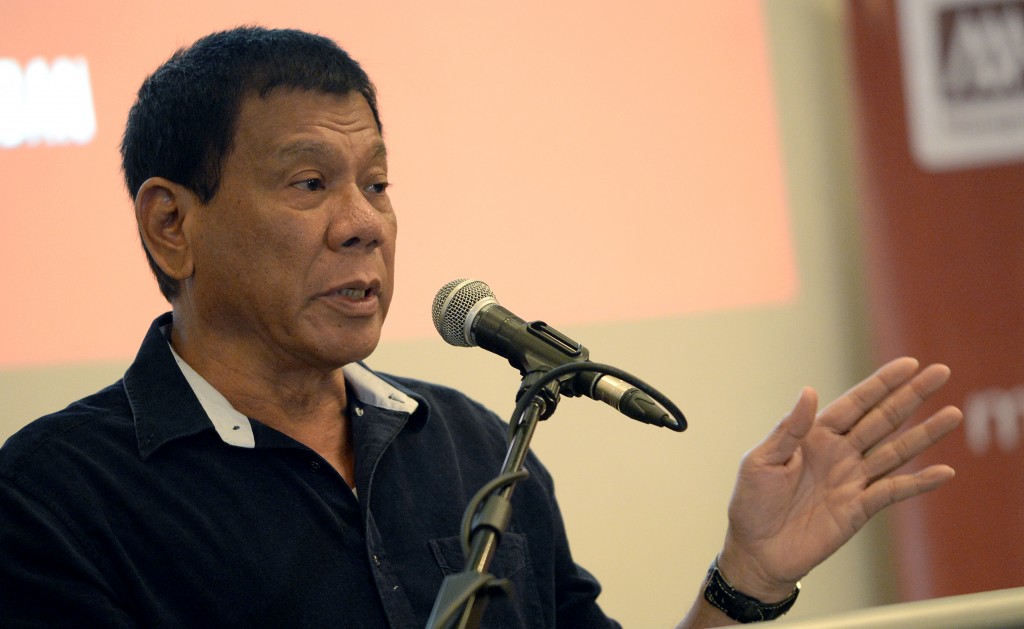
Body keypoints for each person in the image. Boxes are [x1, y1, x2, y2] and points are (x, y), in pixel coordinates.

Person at [0, 27, 962, 628]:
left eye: (377, 181)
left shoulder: (472, 446)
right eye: (309, 183)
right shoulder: (54, 498)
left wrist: (743, 576)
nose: (363, 219)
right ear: (173, 224)